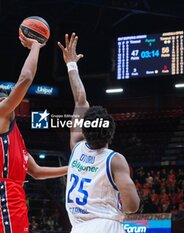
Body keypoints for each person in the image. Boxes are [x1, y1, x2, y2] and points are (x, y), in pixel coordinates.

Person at [0, 32, 68, 233]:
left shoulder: (14, 139)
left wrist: (70, 169)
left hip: (14, 190)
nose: (6, 103)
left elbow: (36, 171)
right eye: (1, 101)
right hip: (5, 188)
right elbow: (25, 78)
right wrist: (36, 46)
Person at [58, 33, 140, 233]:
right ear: (111, 132)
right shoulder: (115, 160)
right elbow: (132, 206)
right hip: (106, 226)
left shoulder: (76, 146)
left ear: (84, 130)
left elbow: (80, 99)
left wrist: (71, 65)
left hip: (78, 228)